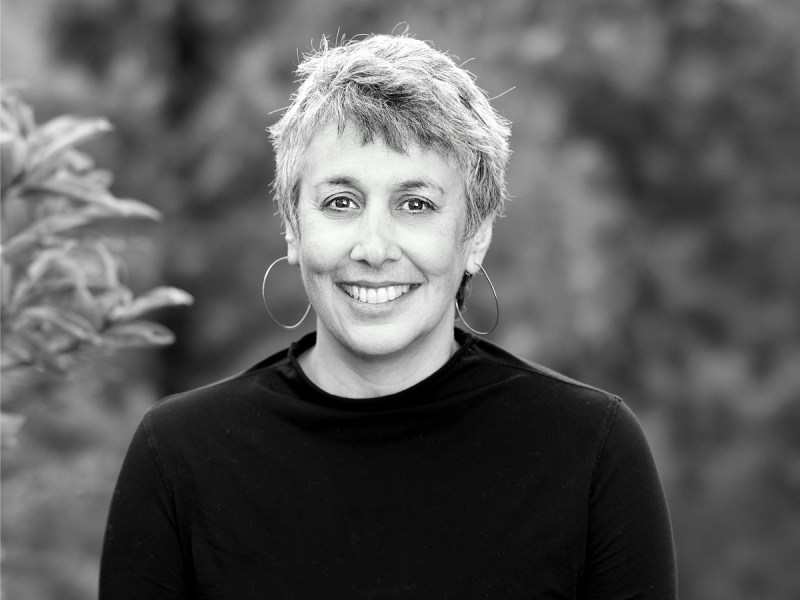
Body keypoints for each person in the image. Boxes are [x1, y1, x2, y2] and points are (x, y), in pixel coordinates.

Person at [99, 32, 677, 599]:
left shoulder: (588, 451)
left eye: (416, 204)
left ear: (475, 236)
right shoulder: (179, 457)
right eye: (341, 202)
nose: (374, 248)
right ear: (292, 226)